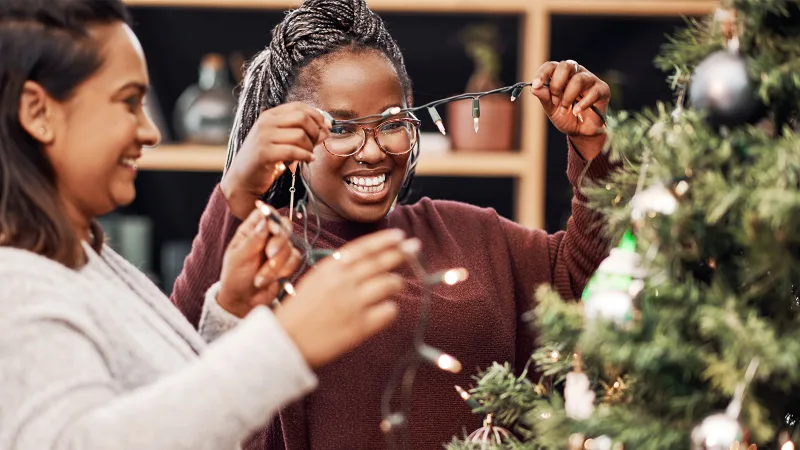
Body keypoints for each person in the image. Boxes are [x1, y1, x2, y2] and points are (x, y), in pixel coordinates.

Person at [171, 0, 618, 448]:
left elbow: (590, 282)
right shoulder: (264, 252)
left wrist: (593, 149)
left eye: (390, 123)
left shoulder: (472, 235)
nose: (372, 151)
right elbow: (176, 364)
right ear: (292, 137)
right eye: (341, 128)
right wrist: (237, 191)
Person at [0, 1, 419, 449]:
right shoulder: (17, 285)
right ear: (38, 112)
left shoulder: (85, 258)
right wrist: (284, 344)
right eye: (128, 102)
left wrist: (229, 315)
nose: (149, 132)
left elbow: (161, 406)